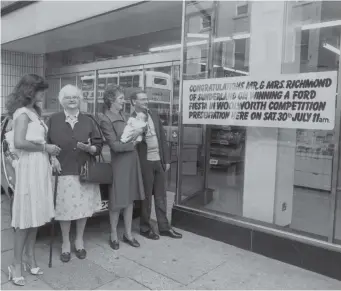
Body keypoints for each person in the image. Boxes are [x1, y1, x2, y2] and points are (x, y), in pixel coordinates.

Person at [5, 74, 61, 286]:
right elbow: (19, 142)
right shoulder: (21, 113)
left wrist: (51, 156)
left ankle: (30, 258)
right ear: (30, 90)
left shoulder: (35, 112)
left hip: (40, 167)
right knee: (24, 220)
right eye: (40, 90)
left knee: (36, 216)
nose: (43, 94)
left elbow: (40, 141)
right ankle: (16, 264)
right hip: (28, 169)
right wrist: (45, 148)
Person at [47, 84, 103, 263]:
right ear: (62, 100)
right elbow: (45, 143)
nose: (72, 100)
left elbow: (98, 145)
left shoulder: (88, 120)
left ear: (80, 100)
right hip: (62, 171)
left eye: (75, 97)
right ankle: (65, 242)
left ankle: (79, 240)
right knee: (64, 211)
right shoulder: (53, 119)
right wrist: (52, 158)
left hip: (84, 172)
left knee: (82, 210)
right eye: (68, 97)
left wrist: (91, 148)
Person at [130, 90, 182, 240]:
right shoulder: (131, 119)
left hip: (158, 160)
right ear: (134, 102)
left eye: (147, 99)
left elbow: (162, 138)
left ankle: (164, 227)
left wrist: (166, 160)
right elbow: (132, 142)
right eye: (142, 99)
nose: (146, 101)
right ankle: (145, 228)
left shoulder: (153, 113)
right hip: (144, 161)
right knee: (146, 197)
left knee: (161, 196)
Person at [98, 85, 145, 250]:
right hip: (119, 162)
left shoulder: (125, 116)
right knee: (117, 200)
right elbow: (115, 146)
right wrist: (132, 144)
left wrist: (137, 135)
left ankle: (128, 233)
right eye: (120, 98)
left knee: (129, 199)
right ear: (111, 100)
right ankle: (113, 234)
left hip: (131, 160)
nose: (123, 101)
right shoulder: (105, 118)